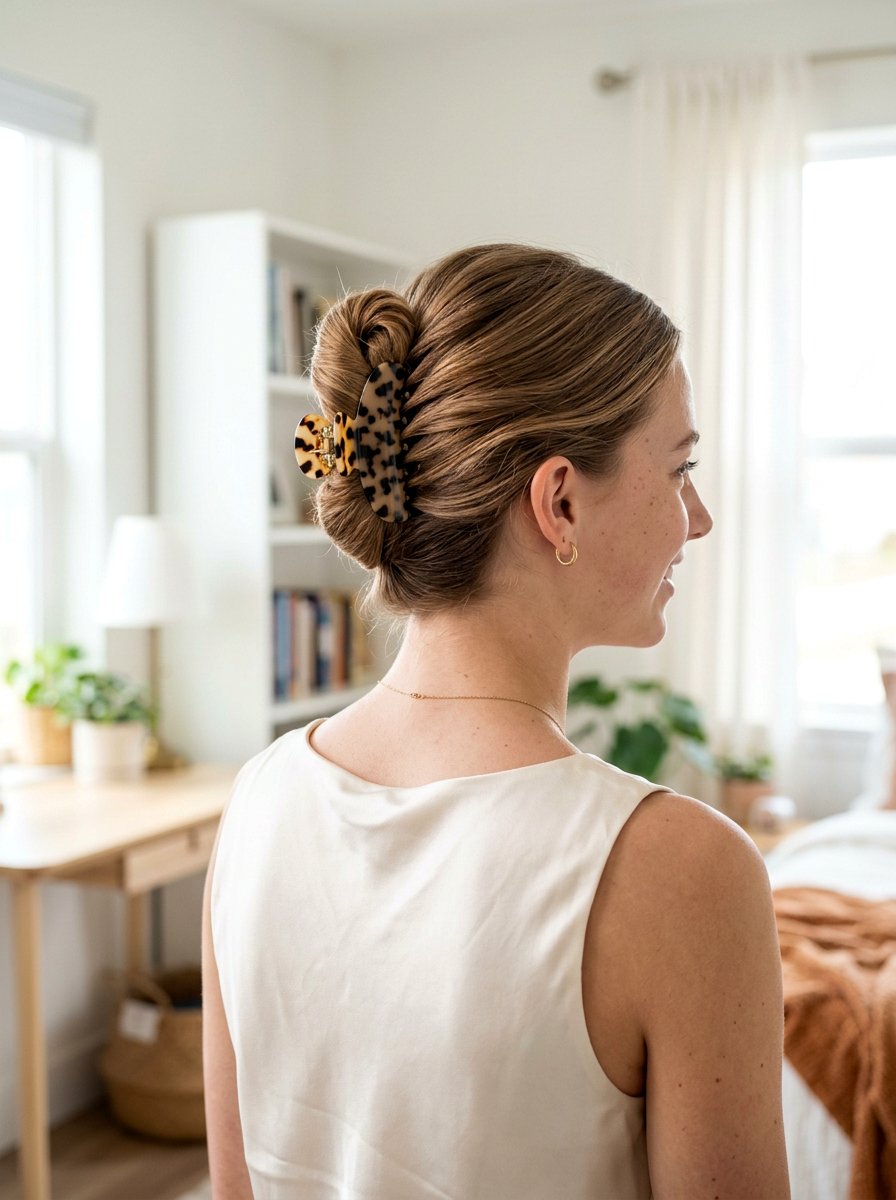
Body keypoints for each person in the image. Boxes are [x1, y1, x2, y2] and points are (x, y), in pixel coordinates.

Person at [202, 244, 790, 1199]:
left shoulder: (259, 798)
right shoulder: (682, 872)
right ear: (559, 501)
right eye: (680, 470)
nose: (702, 518)